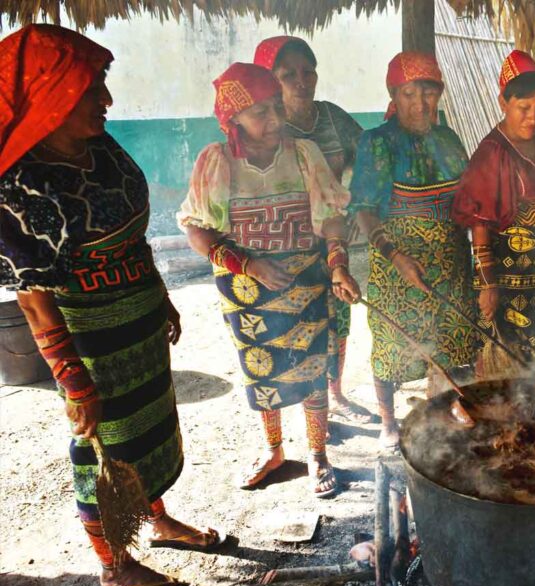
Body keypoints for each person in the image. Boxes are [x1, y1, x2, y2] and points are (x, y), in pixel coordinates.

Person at [0, 24, 223, 586]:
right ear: (48, 98)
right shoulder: (20, 186)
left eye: (102, 82)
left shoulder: (102, 149)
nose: (106, 100)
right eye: (89, 89)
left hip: (139, 326)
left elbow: (133, 237)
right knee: (102, 451)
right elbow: (36, 300)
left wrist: (160, 295)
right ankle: (114, 565)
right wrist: (74, 381)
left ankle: (157, 520)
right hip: (92, 342)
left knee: (150, 432)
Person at [178, 63, 359, 498]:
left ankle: (318, 455)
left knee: (314, 368)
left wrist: (336, 263)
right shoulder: (215, 162)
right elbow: (196, 230)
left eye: (275, 107)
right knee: (261, 373)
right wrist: (250, 265)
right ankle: (275, 452)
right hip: (246, 290)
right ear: (232, 118)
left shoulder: (303, 154)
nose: (274, 119)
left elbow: (333, 217)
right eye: (260, 112)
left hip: (307, 280)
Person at [349, 52, 477, 448]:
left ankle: (445, 408)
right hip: (397, 263)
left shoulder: (449, 139)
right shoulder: (378, 142)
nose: (420, 104)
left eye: (428, 93)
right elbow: (365, 209)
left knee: (456, 337)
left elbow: (468, 199)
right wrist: (395, 255)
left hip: (452, 262)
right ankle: (389, 422)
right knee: (393, 341)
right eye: (409, 93)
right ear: (394, 94)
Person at [253, 36, 370, 423]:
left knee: (337, 319)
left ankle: (333, 395)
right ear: (270, 80)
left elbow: (368, 157)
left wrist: (352, 205)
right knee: (289, 328)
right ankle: (300, 410)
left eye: (308, 71)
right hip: (284, 248)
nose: (302, 81)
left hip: (332, 238)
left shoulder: (332, 118)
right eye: (288, 74)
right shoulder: (263, 126)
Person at [453, 50, 535, 369]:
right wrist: (488, 284)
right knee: (506, 363)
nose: (534, 116)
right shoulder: (491, 153)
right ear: (503, 103)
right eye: (524, 107)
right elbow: (479, 226)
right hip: (506, 281)